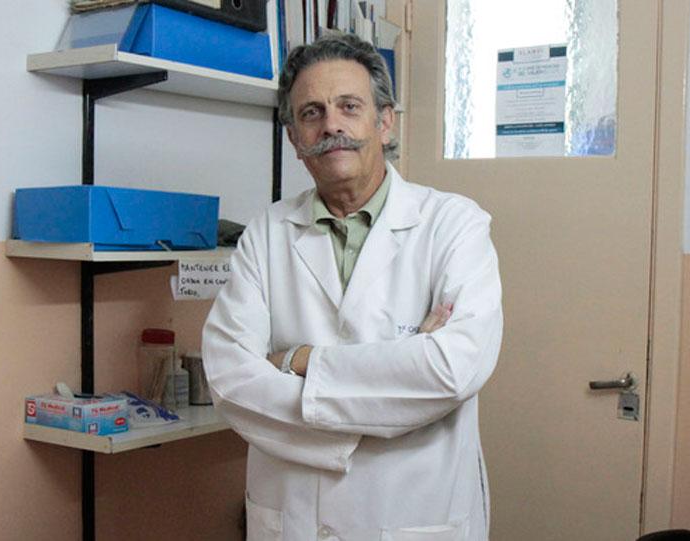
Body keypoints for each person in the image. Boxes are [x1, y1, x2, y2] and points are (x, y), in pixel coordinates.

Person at [202, 32, 503, 541]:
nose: (331, 125)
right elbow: (230, 379)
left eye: (349, 106)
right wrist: (400, 369)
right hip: (293, 517)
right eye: (312, 113)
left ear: (384, 122)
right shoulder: (267, 233)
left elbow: (453, 370)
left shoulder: (454, 225)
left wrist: (296, 360)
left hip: (413, 513)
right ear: (294, 138)